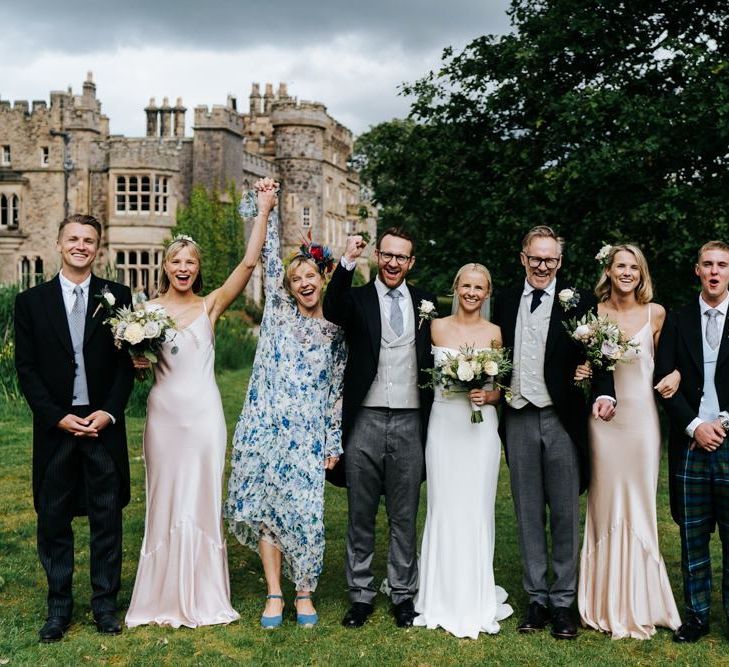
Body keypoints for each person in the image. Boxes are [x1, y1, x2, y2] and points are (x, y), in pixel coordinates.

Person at [125, 179, 277, 628]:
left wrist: (263, 210)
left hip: (205, 417)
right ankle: (160, 595)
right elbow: (136, 364)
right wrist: (135, 359)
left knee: (203, 498)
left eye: (191, 261)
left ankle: (206, 592)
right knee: (165, 498)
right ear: (165, 266)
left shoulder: (211, 305)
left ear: (198, 268)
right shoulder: (145, 313)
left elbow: (249, 264)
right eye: (177, 260)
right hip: (163, 418)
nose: (184, 267)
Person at [224, 203, 346, 629]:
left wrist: (332, 441)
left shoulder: (336, 332)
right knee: (268, 511)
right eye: (295, 280)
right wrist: (265, 210)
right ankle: (275, 592)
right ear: (288, 288)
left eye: (309, 276)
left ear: (322, 278)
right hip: (267, 430)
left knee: (307, 513)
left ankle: (305, 592)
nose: (303, 283)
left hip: (309, 437)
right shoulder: (277, 315)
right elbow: (265, 255)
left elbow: (337, 392)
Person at [491, 225, 616, 640]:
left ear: (560, 262)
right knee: (527, 512)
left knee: (564, 513)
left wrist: (592, 382)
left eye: (551, 259)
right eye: (536, 258)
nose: (543, 266)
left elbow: (598, 355)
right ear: (523, 257)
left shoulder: (578, 300)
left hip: (561, 418)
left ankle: (563, 602)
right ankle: (537, 599)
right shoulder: (505, 300)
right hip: (519, 414)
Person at [14, 214, 134, 642]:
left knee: (107, 518)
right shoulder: (31, 303)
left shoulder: (118, 296)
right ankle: (58, 609)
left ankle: (105, 606)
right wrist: (55, 416)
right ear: (59, 243)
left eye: (89, 240)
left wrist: (110, 411)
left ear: (97, 248)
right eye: (74, 239)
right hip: (56, 428)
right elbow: (25, 369)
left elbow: (127, 366)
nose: (81, 245)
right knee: (54, 519)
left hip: (102, 423)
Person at [323, 229, 435, 629]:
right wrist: (346, 263)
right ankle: (360, 595)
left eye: (401, 257)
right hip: (366, 418)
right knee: (361, 513)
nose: (392, 263)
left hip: (410, 419)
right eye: (386, 255)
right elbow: (331, 308)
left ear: (411, 262)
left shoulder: (426, 303)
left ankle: (403, 594)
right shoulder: (357, 298)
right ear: (377, 256)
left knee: (404, 514)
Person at [576, 244, 681, 639]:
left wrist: (679, 378)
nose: (626, 272)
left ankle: (642, 600)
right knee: (604, 505)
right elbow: (582, 364)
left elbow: (670, 364)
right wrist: (582, 369)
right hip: (604, 424)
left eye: (633, 267)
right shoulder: (594, 314)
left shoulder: (656, 314)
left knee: (639, 504)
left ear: (642, 273)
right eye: (620, 265)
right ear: (609, 269)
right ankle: (601, 599)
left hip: (641, 423)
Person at [414, 263, 514, 638]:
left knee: (475, 508)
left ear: (487, 293)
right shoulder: (435, 327)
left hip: (479, 430)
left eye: (479, 288)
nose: (472, 293)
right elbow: (422, 377)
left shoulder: (494, 333)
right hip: (443, 425)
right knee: (443, 504)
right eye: (466, 286)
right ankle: (438, 591)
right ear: (455, 287)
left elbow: (501, 388)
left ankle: (474, 594)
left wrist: (486, 395)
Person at [655, 240, 729, 643]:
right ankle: (697, 617)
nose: (715, 271)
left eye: (722, 265)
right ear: (696, 270)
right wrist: (695, 425)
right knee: (692, 534)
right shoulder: (679, 319)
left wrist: (722, 424)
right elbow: (663, 381)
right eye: (708, 264)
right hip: (690, 443)